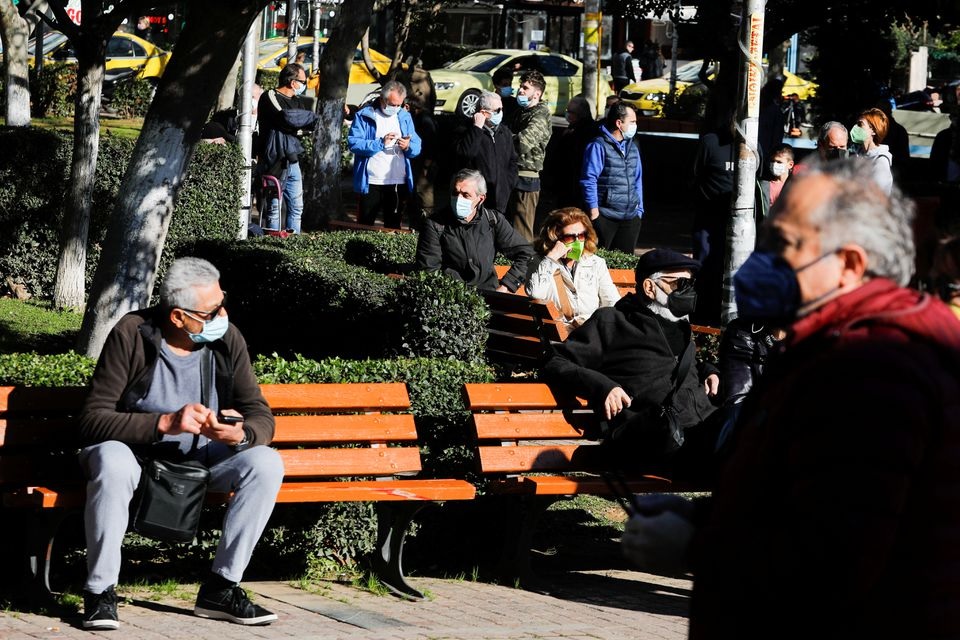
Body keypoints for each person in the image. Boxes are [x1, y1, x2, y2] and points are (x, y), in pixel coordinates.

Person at [622, 160, 960, 639]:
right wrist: (701, 515)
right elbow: (797, 497)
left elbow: (837, 557)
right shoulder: (831, 346)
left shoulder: (874, 370)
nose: (761, 262)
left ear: (849, 264)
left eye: (784, 245)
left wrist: (696, 545)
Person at [78, 257, 284, 630]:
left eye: (222, 303)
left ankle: (221, 589)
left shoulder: (227, 339)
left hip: (203, 461)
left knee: (266, 463)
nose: (222, 315)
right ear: (177, 317)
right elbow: (92, 420)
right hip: (137, 460)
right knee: (112, 460)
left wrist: (243, 434)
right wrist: (164, 423)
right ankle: (99, 592)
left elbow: (260, 413)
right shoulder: (132, 333)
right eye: (211, 311)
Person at [541, 248, 719, 468]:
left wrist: (708, 371)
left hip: (700, 426)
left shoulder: (678, 324)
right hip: (656, 439)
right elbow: (554, 362)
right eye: (679, 284)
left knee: (756, 421)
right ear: (649, 287)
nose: (688, 291)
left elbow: (670, 365)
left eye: (690, 284)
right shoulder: (612, 322)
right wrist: (602, 386)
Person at [414, 168, 534, 292]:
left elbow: (526, 253)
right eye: (455, 193)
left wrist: (507, 285)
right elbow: (429, 270)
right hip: (452, 297)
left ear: (481, 199)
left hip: (489, 296)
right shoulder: (435, 224)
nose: (458, 199)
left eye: (466, 195)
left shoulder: (493, 220)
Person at [525, 207, 620, 327]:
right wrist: (551, 258)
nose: (577, 241)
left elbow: (612, 301)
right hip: (560, 335)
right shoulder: (540, 263)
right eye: (570, 237)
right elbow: (535, 294)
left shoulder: (596, 263)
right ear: (555, 238)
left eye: (581, 236)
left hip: (592, 331)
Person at [347, 81, 422, 229]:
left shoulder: (404, 116)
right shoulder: (365, 115)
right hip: (371, 181)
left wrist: (408, 146)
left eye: (399, 105)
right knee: (364, 226)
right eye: (392, 104)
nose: (395, 108)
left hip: (397, 181)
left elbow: (417, 145)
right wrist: (380, 143)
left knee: (393, 227)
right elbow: (354, 143)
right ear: (382, 99)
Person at [256, 63, 318, 233]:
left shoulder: (297, 101)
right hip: (274, 159)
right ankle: (272, 242)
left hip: (293, 159)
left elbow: (308, 124)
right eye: (303, 81)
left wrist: (299, 124)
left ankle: (293, 242)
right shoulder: (270, 96)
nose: (305, 85)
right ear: (292, 82)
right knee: (274, 208)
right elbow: (285, 118)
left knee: (297, 207)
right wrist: (298, 124)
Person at [580, 103, 644, 254]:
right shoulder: (598, 145)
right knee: (599, 262)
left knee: (624, 266)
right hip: (605, 216)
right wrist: (594, 212)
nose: (635, 125)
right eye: (632, 122)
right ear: (619, 123)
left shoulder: (633, 146)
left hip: (630, 217)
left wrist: (639, 210)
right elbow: (589, 179)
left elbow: (638, 180)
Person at [505, 70, 552, 242]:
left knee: (521, 233)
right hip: (511, 173)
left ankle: (524, 267)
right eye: (520, 87)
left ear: (537, 93)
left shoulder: (540, 114)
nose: (521, 91)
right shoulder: (520, 112)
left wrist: (503, 139)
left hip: (526, 177)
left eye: (525, 88)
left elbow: (523, 143)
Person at [453, 90, 517, 214]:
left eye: (502, 109)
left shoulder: (505, 132)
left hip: (501, 200)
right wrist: (477, 128)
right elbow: (466, 154)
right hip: (477, 200)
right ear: (483, 112)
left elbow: (512, 160)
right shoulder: (465, 130)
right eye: (497, 110)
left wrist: (508, 183)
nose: (501, 113)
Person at [542, 95, 598, 210]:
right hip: (566, 186)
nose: (567, 114)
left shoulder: (584, 133)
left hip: (574, 188)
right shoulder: (573, 129)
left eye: (570, 112)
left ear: (580, 114)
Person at [851, 107, 893, 194]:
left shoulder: (881, 161)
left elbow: (876, 195)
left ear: (873, 130)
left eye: (860, 124)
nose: (855, 128)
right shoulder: (856, 154)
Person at [758, 143, 794, 215]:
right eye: (772, 161)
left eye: (779, 162)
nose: (774, 164)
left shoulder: (796, 186)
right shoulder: (763, 185)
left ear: (790, 164)